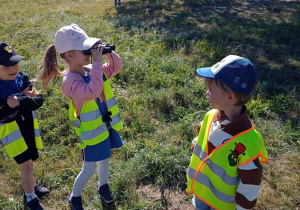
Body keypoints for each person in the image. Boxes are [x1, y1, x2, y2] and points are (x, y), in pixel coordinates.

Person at [34, 23, 124, 210]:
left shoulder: (91, 69)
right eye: (85, 49)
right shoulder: (70, 82)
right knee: (89, 168)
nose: (90, 52)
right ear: (68, 55)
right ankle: (74, 197)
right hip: (90, 135)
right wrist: (98, 62)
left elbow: (116, 67)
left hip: (104, 127)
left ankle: (103, 186)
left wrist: (107, 52)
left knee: (105, 159)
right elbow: (93, 90)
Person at [186, 55, 268, 210]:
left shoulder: (247, 142)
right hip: (203, 191)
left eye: (210, 90)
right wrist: (196, 144)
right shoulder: (211, 116)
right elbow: (203, 135)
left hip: (223, 203)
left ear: (230, 97)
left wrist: (242, 207)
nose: (206, 93)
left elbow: (251, 182)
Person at [0, 42, 50, 210]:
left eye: (15, 62)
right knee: (26, 164)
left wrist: (27, 94)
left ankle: (30, 185)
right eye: (6, 66)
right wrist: (17, 102)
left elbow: (23, 94)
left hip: (25, 124)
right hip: (10, 130)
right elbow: (8, 105)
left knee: (30, 159)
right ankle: (30, 198)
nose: (13, 68)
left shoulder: (18, 77)